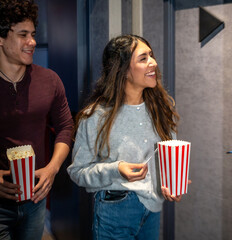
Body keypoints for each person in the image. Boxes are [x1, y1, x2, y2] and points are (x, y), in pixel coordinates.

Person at [67, 34, 183, 240]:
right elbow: (78, 172)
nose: (153, 62)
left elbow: (167, 156)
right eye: (143, 58)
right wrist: (116, 169)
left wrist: (171, 181)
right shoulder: (94, 117)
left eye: (151, 55)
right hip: (115, 210)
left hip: (153, 208)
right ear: (123, 70)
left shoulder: (161, 109)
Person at [0, 0, 74, 239]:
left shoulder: (50, 80)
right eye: (23, 35)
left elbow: (65, 127)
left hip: (35, 199)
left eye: (33, 34)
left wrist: (52, 169)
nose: (31, 41)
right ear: (1, 38)